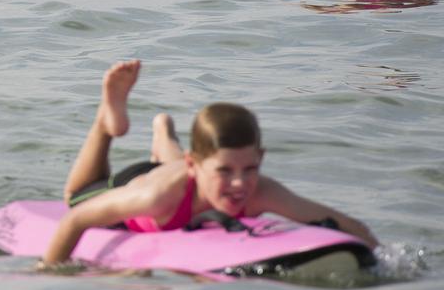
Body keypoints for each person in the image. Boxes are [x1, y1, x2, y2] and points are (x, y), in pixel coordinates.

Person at [41, 60, 378, 266]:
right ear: (194, 164)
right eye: (226, 172)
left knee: (195, 174)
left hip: (184, 173)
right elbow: (74, 220)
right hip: (143, 183)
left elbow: (344, 223)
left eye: (250, 169)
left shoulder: (260, 191)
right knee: (77, 193)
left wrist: (381, 262)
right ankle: (105, 124)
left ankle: (163, 135)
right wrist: (49, 273)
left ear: (261, 159)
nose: (239, 184)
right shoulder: (156, 197)